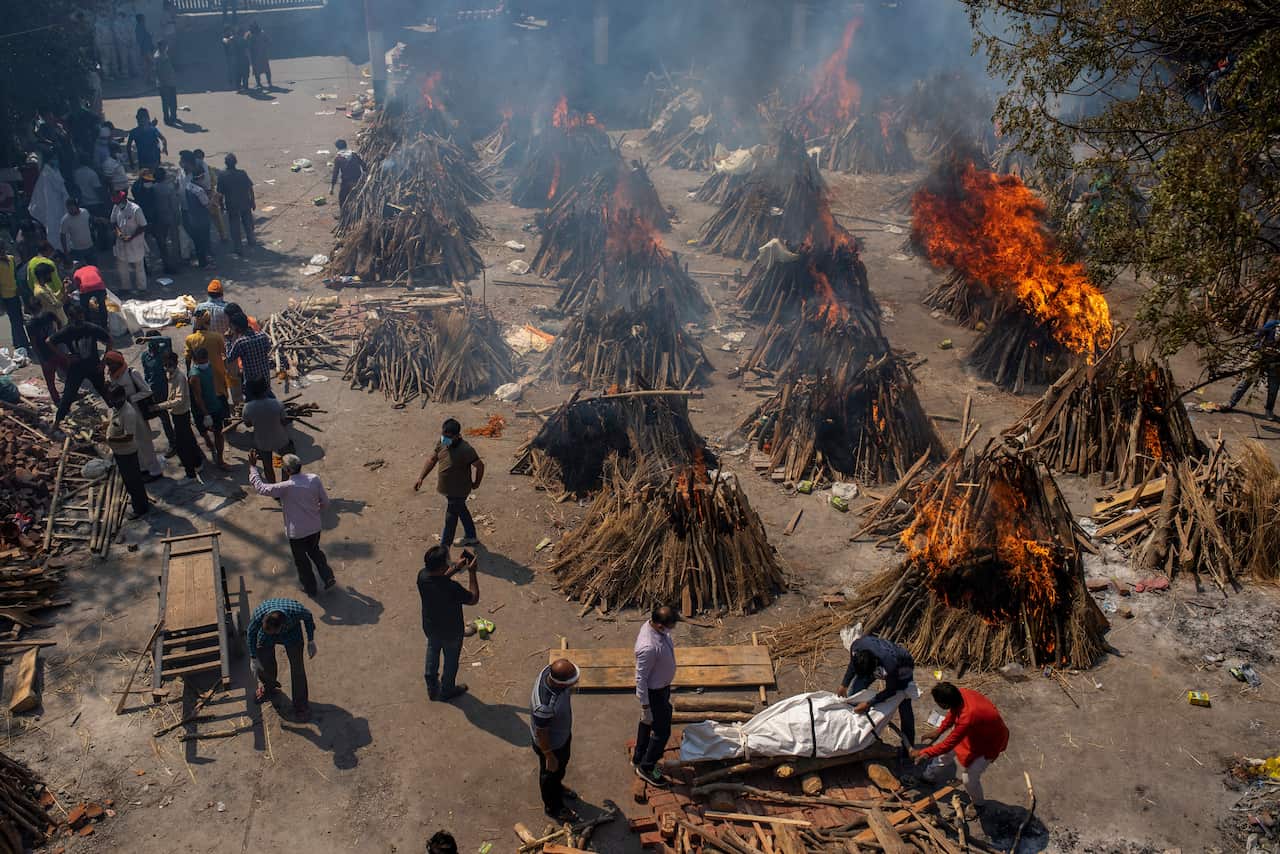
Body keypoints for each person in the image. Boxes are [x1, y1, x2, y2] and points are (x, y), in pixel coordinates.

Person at [910, 683, 1009, 818]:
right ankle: (929, 776)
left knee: (969, 778)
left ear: (944, 704)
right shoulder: (960, 694)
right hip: (974, 733)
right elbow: (953, 713)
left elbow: (948, 744)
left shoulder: (967, 717)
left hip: (990, 743)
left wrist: (923, 752)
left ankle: (978, 804)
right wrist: (939, 730)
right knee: (945, 754)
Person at [248, 452, 336, 595]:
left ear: (287, 471)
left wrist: (253, 468)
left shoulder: (285, 487)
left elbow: (261, 488)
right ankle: (328, 576)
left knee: (302, 562)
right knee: (315, 551)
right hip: (314, 528)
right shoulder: (314, 479)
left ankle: (311, 588)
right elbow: (325, 502)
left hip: (297, 534)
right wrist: (313, 512)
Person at [416, 545, 479, 702]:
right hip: (451, 631)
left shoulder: (422, 576)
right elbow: (473, 598)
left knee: (433, 648)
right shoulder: (452, 588)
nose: (450, 563)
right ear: (442, 566)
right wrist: (472, 572)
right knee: (451, 662)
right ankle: (447, 690)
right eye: (448, 561)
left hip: (430, 626)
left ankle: (431, 684)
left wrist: (456, 568)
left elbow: (439, 578)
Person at [413, 418, 485, 549]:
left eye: (448, 437)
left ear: (457, 435)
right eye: (443, 435)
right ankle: (471, 536)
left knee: (450, 519)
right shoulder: (442, 442)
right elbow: (432, 459)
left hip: (459, 490)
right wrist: (421, 477)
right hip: (448, 489)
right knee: (461, 510)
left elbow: (480, 466)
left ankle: (444, 549)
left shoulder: (466, 449)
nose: (445, 439)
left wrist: (476, 483)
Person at [837, 634, 916, 747]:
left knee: (903, 703)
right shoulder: (856, 647)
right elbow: (853, 665)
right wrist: (844, 684)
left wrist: (869, 703)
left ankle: (908, 747)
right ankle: (851, 731)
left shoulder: (890, 664)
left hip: (902, 667)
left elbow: (891, 690)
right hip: (877, 663)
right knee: (855, 691)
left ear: (875, 666)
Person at [247, 597, 317, 721]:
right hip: (266, 637)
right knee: (262, 659)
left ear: (281, 626)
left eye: (273, 631)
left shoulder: (296, 611)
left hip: (292, 635)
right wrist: (253, 657)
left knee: (298, 669)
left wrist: (310, 640)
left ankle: (301, 705)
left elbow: (308, 617)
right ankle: (269, 686)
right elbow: (251, 634)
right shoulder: (259, 615)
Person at [530, 658, 581, 822]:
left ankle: (558, 786)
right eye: (572, 682)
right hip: (551, 745)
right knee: (549, 775)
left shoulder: (548, 672)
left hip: (561, 736)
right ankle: (553, 807)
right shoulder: (544, 706)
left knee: (559, 769)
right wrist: (549, 755)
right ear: (561, 684)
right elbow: (542, 732)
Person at [633, 604, 678, 787]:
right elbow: (640, 678)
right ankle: (647, 767)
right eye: (670, 626)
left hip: (661, 689)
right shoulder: (648, 647)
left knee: (647, 722)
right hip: (655, 694)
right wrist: (645, 706)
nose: (672, 630)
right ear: (660, 625)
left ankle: (639, 755)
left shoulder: (656, 629)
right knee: (662, 731)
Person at [105, 351, 163, 479]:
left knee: (145, 441)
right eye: (108, 364)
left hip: (136, 411)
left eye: (111, 363)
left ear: (118, 362)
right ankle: (143, 468)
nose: (109, 366)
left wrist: (131, 398)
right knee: (134, 442)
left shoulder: (131, 373)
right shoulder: (113, 375)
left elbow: (147, 391)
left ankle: (155, 470)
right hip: (123, 411)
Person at [50, 303, 111, 424]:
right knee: (68, 396)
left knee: (103, 391)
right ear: (70, 318)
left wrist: (104, 362)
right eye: (76, 318)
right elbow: (49, 341)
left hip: (93, 366)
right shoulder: (67, 331)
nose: (79, 320)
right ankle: (57, 422)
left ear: (83, 316)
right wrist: (66, 356)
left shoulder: (91, 328)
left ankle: (119, 415)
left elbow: (109, 340)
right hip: (76, 368)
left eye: (80, 317)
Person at [154, 351, 204, 480]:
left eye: (169, 364)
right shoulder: (170, 375)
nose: (167, 367)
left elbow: (179, 399)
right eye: (165, 365)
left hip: (181, 414)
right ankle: (198, 463)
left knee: (182, 446)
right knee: (190, 441)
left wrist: (160, 406)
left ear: (175, 363)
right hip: (177, 414)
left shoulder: (179, 377)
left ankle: (190, 473)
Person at [106, 386, 152, 519]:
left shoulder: (128, 413)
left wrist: (110, 439)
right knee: (129, 480)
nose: (111, 401)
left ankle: (140, 508)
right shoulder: (117, 409)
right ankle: (140, 501)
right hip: (119, 452)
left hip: (127, 452)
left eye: (113, 398)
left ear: (121, 397)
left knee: (133, 481)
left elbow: (128, 437)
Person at [1223, 319, 1279, 421]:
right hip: (1261, 356)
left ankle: (1269, 410)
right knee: (1247, 381)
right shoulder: (1273, 324)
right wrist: (1258, 346)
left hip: (1276, 361)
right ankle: (1231, 402)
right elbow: (1258, 335)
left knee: (1274, 388)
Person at [242, 378, 290, 482]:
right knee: (286, 463)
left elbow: (248, 424)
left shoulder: (247, 408)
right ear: (267, 389)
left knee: (267, 466)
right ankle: (284, 486)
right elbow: (284, 421)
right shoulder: (277, 404)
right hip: (280, 438)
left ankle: (274, 489)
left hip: (262, 441)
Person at [188, 346, 229, 468]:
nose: (204, 363)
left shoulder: (209, 366)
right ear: (195, 360)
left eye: (205, 360)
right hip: (202, 409)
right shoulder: (194, 376)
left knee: (218, 433)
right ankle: (207, 441)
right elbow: (198, 397)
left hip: (214, 404)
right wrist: (206, 414)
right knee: (203, 430)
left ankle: (220, 460)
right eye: (201, 361)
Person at [24, 292, 67, 404]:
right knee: (67, 373)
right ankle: (70, 394)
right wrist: (59, 335)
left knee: (50, 382)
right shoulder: (48, 315)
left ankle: (57, 401)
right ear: (41, 306)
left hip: (46, 355)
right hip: (57, 350)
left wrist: (41, 359)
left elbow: (34, 343)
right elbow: (59, 322)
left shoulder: (30, 324)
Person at [139, 331, 177, 455]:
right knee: (152, 416)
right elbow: (146, 373)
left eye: (154, 342)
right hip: (150, 390)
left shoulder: (163, 353)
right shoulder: (145, 356)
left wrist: (148, 338)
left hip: (163, 389)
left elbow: (167, 338)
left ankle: (174, 443)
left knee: (166, 417)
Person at [217, 153, 255, 255]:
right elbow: (250, 188)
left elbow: (220, 194)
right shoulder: (242, 173)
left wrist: (221, 206)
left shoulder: (222, 176)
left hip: (232, 205)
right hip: (245, 202)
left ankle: (238, 247)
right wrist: (253, 201)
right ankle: (251, 239)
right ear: (236, 162)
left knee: (235, 226)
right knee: (247, 222)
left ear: (225, 163)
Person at [110, 189, 148, 292]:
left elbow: (143, 226)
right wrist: (119, 233)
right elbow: (113, 222)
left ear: (123, 199)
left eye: (118, 202)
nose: (117, 204)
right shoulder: (116, 207)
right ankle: (125, 287)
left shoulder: (136, 209)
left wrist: (131, 237)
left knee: (139, 267)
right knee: (122, 267)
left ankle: (142, 288)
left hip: (135, 242)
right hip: (121, 242)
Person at [225, 310, 272, 392]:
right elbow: (268, 349)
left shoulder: (240, 342)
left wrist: (228, 341)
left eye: (231, 327)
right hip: (265, 378)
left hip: (252, 383)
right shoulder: (262, 335)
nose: (230, 329)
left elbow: (229, 358)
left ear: (237, 328)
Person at [180, 169, 212, 268]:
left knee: (198, 242)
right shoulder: (199, 191)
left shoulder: (188, 186)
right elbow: (207, 205)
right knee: (203, 241)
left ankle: (202, 261)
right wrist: (214, 198)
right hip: (202, 219)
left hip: (192, 218)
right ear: (201, 177)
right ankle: (204, 263)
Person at [0, 247, 27, 351]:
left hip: (15, 292)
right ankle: (21, 342)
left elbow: (15, 274)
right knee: (15, 320)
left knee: (18, 318)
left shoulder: (11, 259)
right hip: (6, 296)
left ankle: (18, 341)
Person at [70, 262, 109, 329]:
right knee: (102, 305)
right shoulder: (93, 267)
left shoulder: (76, 272)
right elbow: (99, 277)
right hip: (99, 286)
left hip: (86, 288)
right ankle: (104, 325)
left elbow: (78, 286)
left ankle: (89, 324)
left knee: (84, 307)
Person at [60, 199, 95, 267]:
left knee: (93, 268)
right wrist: (66, 252)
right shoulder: (65, 220)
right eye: (69, 209)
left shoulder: (85, 212)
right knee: (80, 270)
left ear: (77, 206)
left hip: (90, 247)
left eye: (72, 208)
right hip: (76, 250)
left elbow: (91, 222)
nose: (70, 211)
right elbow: (62, 235)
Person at [330, 140, 364, 208]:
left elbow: (335, 173)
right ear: (346, 145)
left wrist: (332, 187)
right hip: (357, 179)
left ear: (337, 148)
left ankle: (343, 214)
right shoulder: (354, 154)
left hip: (346, 181)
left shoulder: (338, 158)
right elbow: (363, 165)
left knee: (342, 198)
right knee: (358, 196)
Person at [154, 41, 178, 126]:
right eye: (165, 46)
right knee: (166, 102)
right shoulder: (159, 57)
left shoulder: (164, 54)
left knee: (172, 102)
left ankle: (173, 116)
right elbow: (159, 72)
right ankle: (167, 119)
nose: (166, 47)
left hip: (170, 82)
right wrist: (163, 83)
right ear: (161, 47)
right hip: (164, 84)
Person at [247, 22, 271, 89]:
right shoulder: (262, 33)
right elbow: (268, 42)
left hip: (255, 55)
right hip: (262, 54)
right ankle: (269, 83)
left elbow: (246, 43)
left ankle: (259, 83)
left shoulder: (250, 35)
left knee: (257, 70)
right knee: (266, 69)